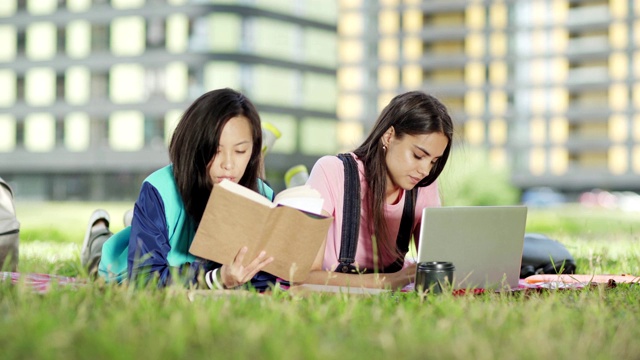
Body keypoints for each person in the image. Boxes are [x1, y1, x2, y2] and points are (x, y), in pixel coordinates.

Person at [80, 88, 275, 290]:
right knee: (101, 255)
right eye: (215, 151)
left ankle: (139, 224)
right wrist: (217, 279)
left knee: (148, 233)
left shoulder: (262, 196)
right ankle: (98, 231)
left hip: (176, 256)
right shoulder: (159, 189)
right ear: (195, 147)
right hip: (122, 269)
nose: (228, 164)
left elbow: (263, 279)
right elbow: (144, 279)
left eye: (240, 151)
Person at [305, 91, 454, 290]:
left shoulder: (423, 188)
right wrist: (392, 280)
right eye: (418, 156)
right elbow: (306, 275)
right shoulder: (332, 172)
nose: (425, 171)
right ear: (389, 136)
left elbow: (437, 274)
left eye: (434, 161)